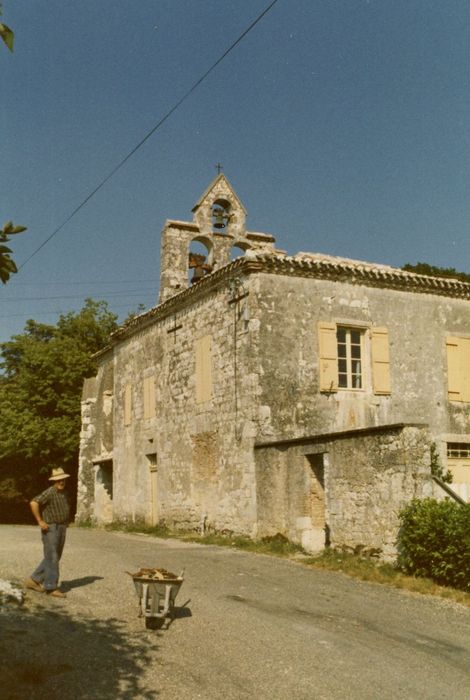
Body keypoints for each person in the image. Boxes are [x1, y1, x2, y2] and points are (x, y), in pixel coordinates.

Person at [24, 467, 71, 598]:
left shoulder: (65, 492)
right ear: (54, 481)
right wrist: (40, 520)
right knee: (53, 557)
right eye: (58, 480)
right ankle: (51, 587)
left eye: (63, 480)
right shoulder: (49, 492)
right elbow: (34, 502)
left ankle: (33, 580)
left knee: (54, 557)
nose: (61, 482)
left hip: (61, 527)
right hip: (50, 527)